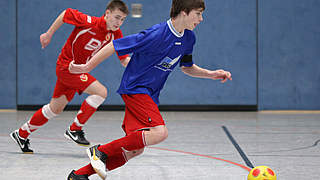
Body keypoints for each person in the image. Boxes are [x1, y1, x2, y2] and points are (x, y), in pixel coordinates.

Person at [67, 0, 232, 179]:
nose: (201, 19)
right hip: (136, 88)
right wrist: (86, 67)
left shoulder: (189, 38)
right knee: (160, 133)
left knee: (135, 150)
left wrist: (212, 74)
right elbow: (115, 45)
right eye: (198, 13)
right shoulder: (156, 34)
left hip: (150, 94)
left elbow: (187, 66)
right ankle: (99, 151)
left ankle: (79, 175)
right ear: (184, 12)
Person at [10, 0, 130, 154]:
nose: (119, 22)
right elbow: (66, 13)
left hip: (77, 70)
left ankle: (21, 134)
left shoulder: (116, 34)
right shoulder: (89, 22)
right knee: (101, 92)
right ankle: (75, 129)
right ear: (107, 14)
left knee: (55, 108)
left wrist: (141, 66)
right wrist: (48, 34)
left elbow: (124, 59)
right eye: (117, 17)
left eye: (122, 19)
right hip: (67, 67)